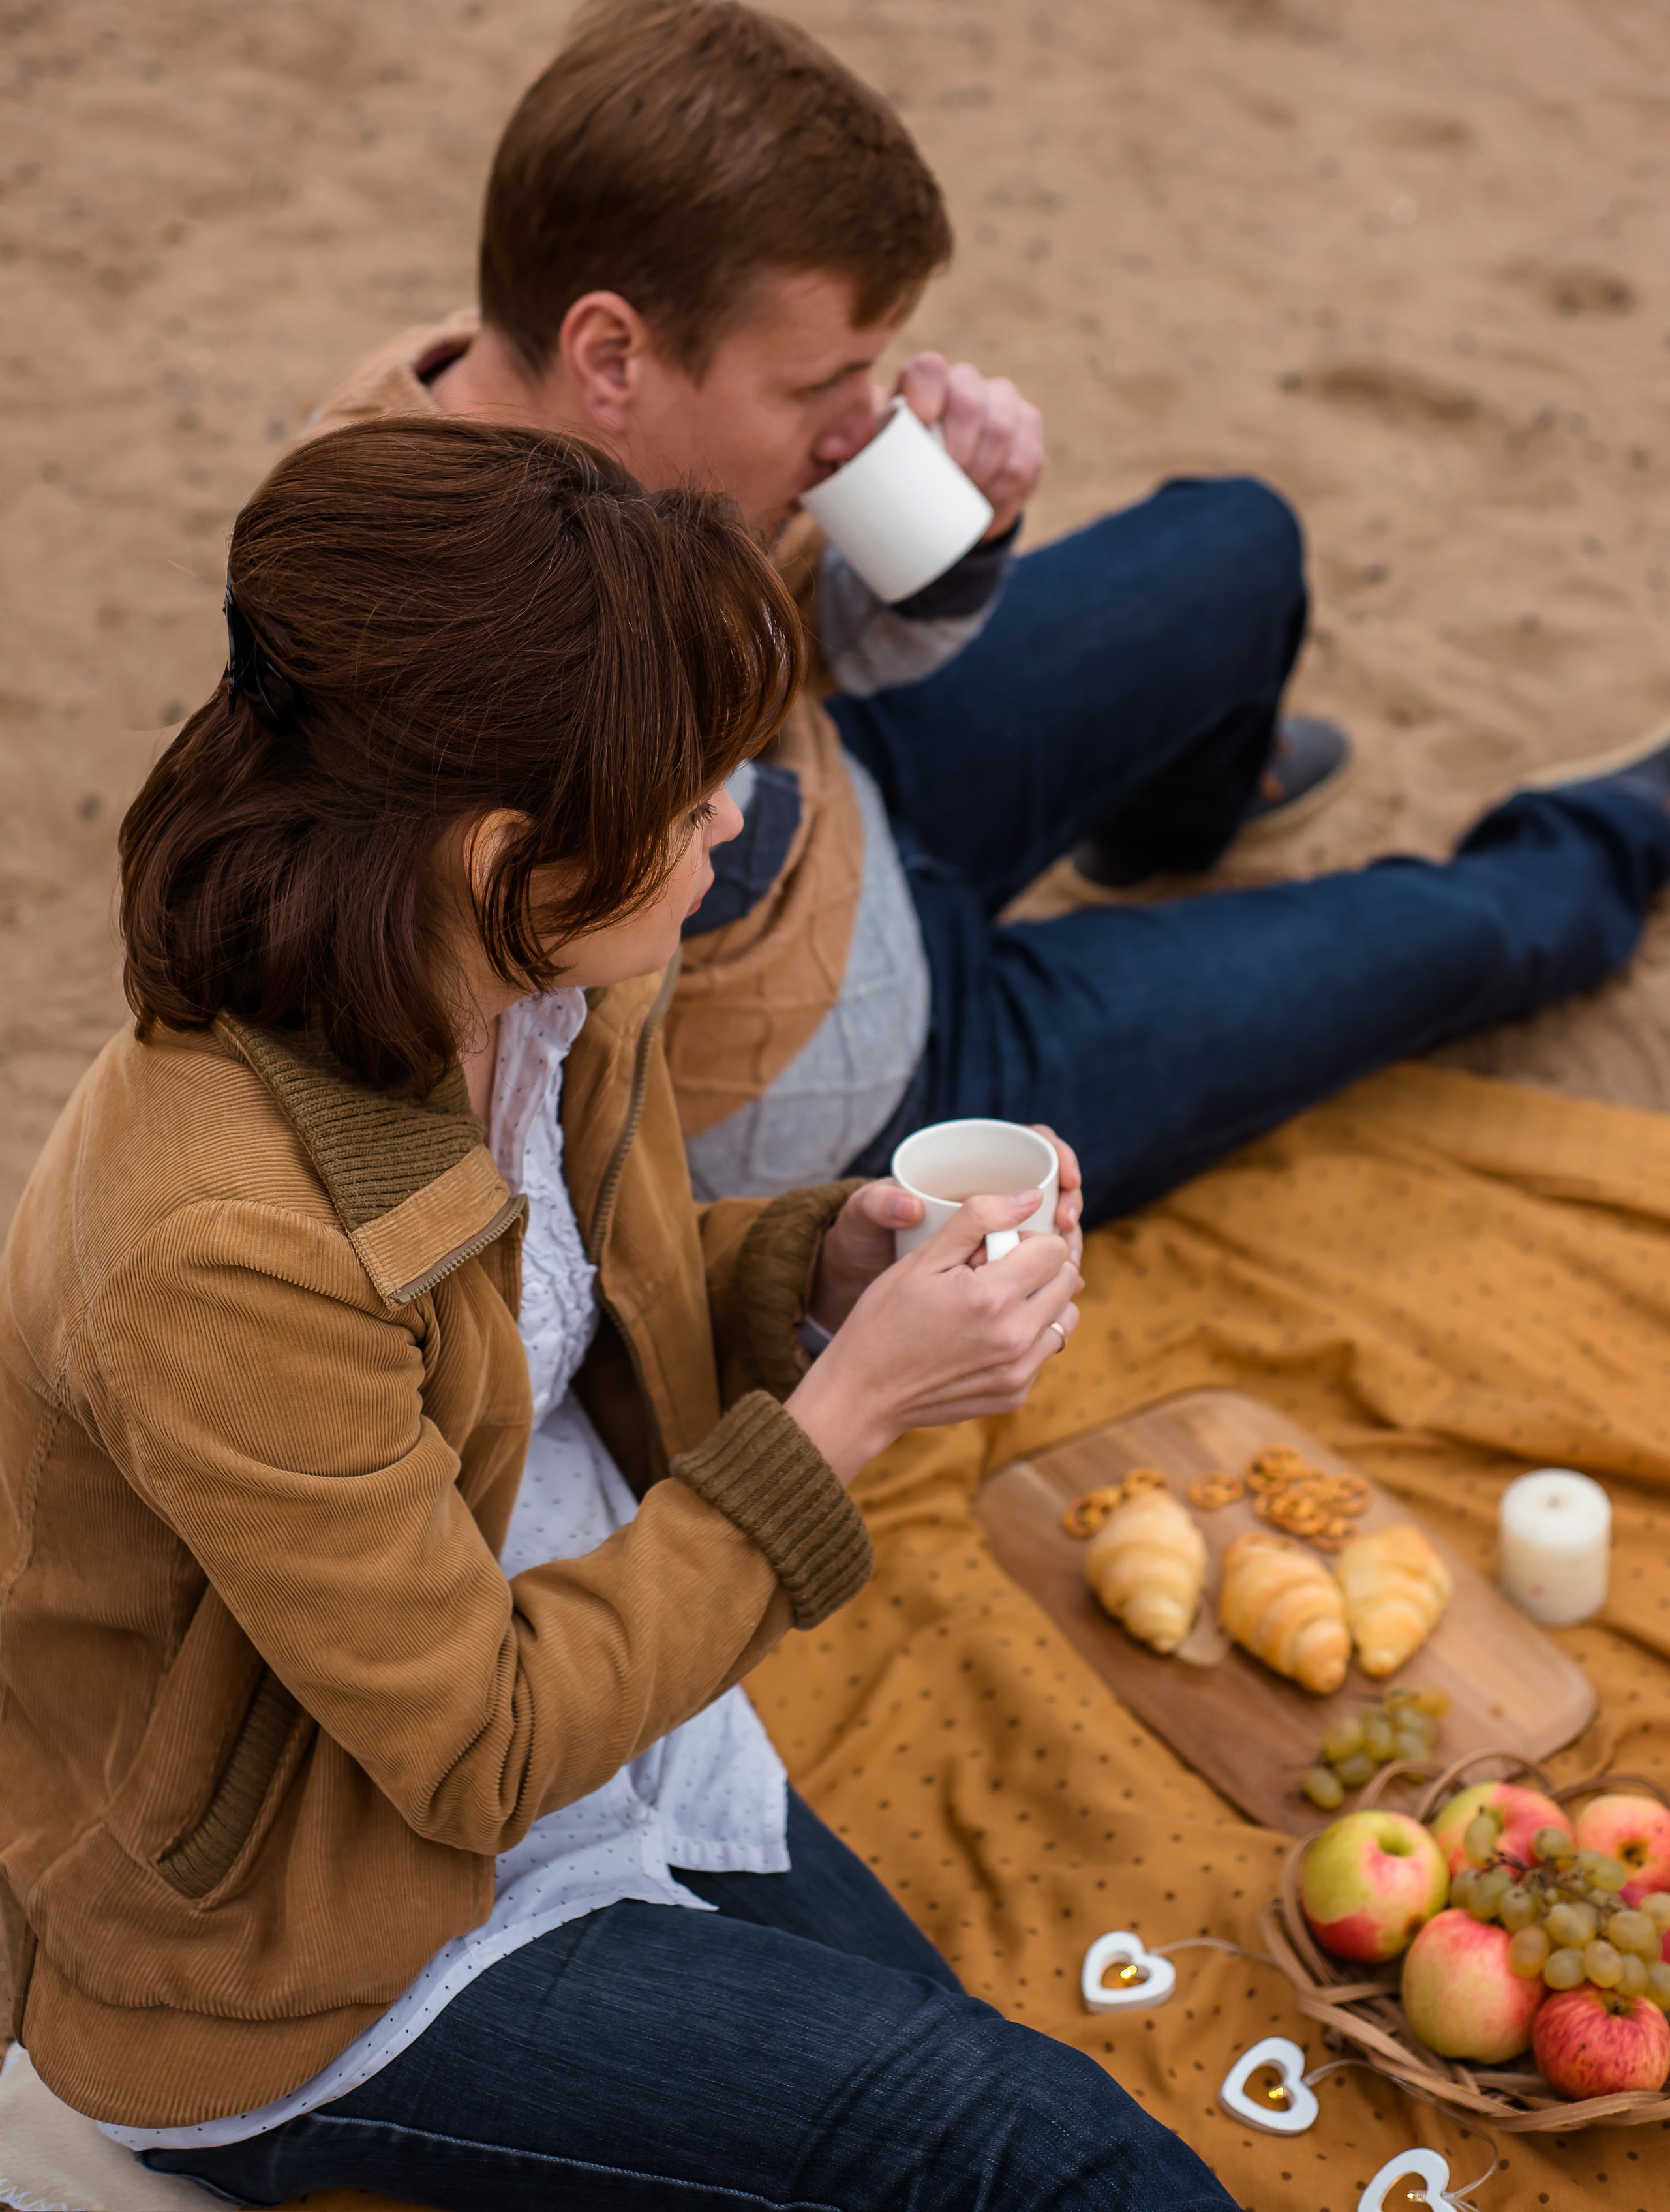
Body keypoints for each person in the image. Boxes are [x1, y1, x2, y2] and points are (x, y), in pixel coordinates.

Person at [0, 417, 1241, 2212]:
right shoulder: (217, 1238)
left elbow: (551, 1309)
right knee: (1032, 2157)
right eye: (696, 794)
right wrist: (844, 1422)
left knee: (983, 2117)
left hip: (616, 1700)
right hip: (300, 1941)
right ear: (505, 848)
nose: (738, 818)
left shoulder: (547, 980)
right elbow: (476, 1743)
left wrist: (820, 1269)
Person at [306, 0, 1670, 1228]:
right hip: (880, 1077)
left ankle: (1172, 827)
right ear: (612, 352)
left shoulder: (495, 379)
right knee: (1462, 933)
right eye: (812, 387)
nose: (860, 424)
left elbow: (806, 658)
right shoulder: (454, 660)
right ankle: (1622, 833)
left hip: (858, 804)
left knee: (1237, 539)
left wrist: (950, 536)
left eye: (870, 369)